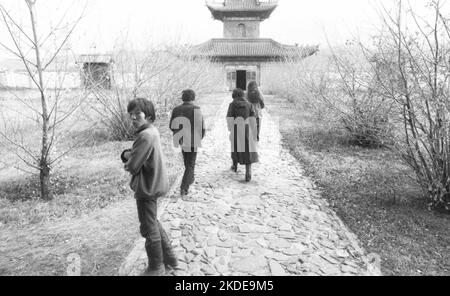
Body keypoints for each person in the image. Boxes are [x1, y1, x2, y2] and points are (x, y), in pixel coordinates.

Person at [121, 98, 177, 276]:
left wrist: (126, 156)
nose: (133, 117)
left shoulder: (145, 135)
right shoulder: (151, 131)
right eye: (131, 114)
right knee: (152, 221)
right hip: (154, 182)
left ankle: (156, 267)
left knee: (148, 227)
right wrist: (130, 154)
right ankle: (170, 259)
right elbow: (139, 155)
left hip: (148, 186)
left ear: (148, 115)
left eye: (138, 114)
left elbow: (133, 166)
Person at [169, 89, 205, 196]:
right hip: (193, 139)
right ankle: (184, 187)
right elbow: (201, 126)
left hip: (181, 139)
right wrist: (200, 137)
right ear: (193, 98)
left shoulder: (176, 109)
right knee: (190, 164)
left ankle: (190, 178)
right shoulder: (196, 109)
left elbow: (171, 125)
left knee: (187, 162)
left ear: (182, 98)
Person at [227, 88, 259, 182]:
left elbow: (229, 118)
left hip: (236, 128)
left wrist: (230, 129)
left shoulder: (232, 105)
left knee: (235, 147)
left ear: (234, 95)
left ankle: (234, 166)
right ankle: (248, 173)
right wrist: (254, 132)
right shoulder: (249, 105)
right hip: (247, 129)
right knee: (248, 150)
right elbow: (253, 119)